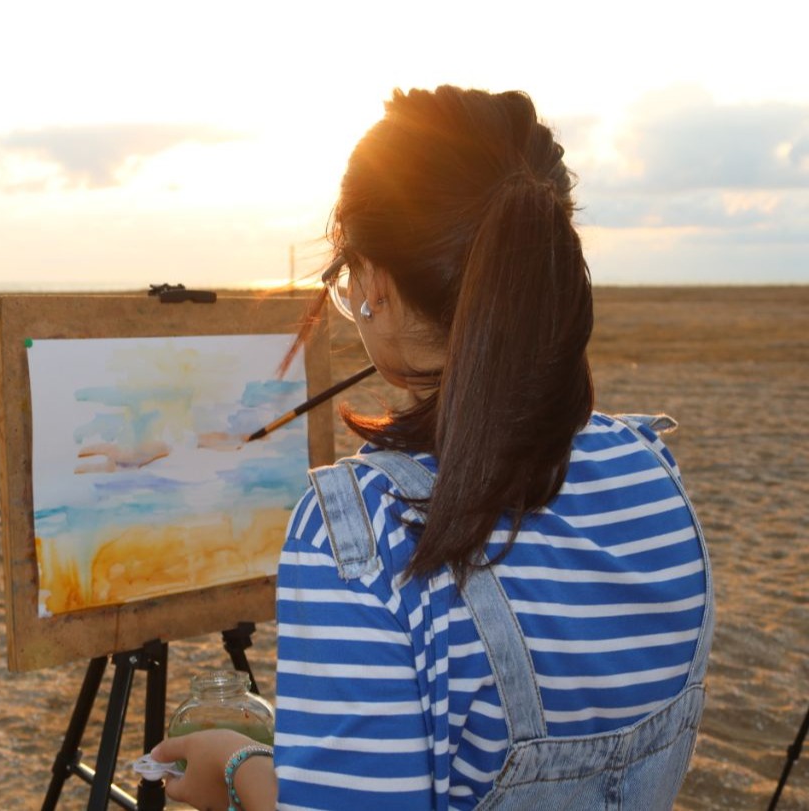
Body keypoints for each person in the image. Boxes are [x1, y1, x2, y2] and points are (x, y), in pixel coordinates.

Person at [151, 85, 712, 810]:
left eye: (346, 278)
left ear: (377, 285)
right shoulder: (651, 469)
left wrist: (237, 773)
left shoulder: (362, 532)